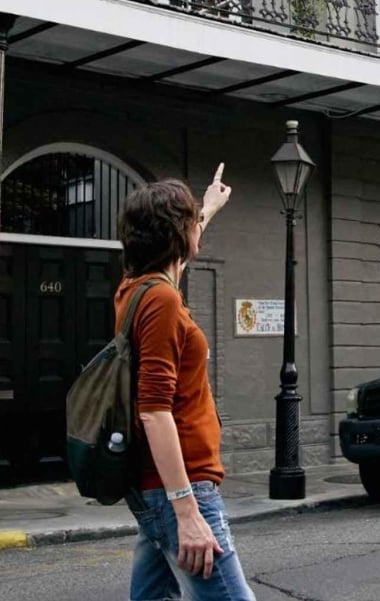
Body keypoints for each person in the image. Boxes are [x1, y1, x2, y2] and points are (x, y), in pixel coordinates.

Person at [116, 167, 255, 601]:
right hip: (179, 486)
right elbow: (154, 411)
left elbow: (179, 256)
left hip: (157, 485)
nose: (198, 228)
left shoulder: (136, 288)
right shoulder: (161, 300)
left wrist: (207, 207)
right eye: (191, 221)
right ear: (178, 235)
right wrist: (187, 511)